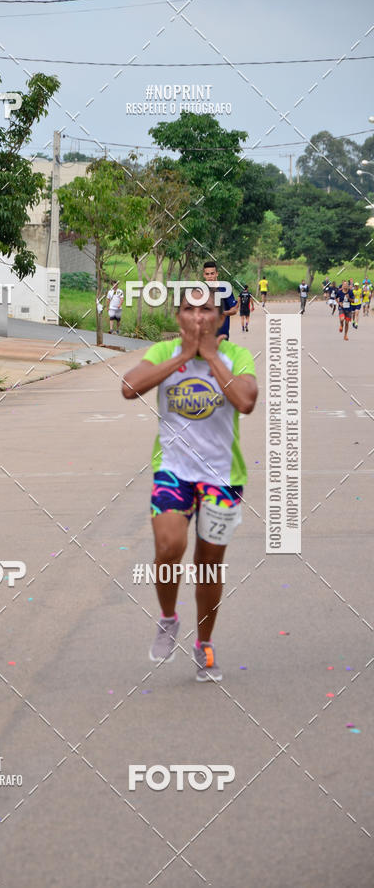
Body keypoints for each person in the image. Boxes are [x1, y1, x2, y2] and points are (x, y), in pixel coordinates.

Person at [122, 284, 258, 682]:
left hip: (222, 477)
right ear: (178, 317)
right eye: (189, 309)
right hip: (174, 471)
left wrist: (211, 357)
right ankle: (168, 618)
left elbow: (246, 401)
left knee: (209, 566)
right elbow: (129, 387)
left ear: (219, 317)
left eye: (206, 310)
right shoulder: (163, 352)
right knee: (168, 548)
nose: (198, 317)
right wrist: (183, 356)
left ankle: (204, 643)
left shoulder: (236, 356)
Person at [203, 261, 238, 339]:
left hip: (222, 335)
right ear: (204, 275)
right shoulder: (200, 291)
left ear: (217, 274)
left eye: (212, 273)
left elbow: (234, 310)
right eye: (207, 274)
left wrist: (222, 313)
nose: (210, 276)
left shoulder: (225, 289)